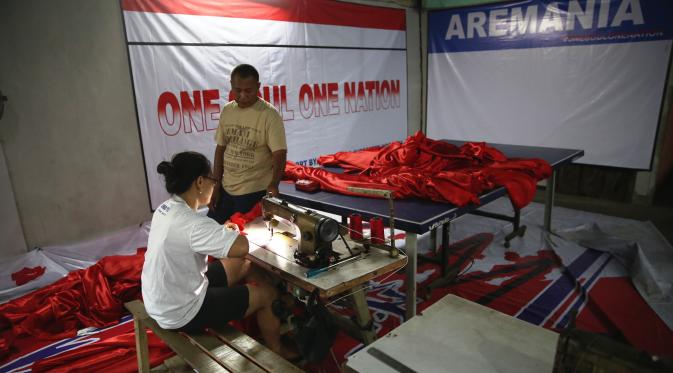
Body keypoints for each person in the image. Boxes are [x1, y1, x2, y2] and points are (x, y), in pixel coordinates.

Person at [141, 151, 291, 358]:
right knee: (267, 295)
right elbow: (242, 247)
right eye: (213, 180)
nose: (215, 186)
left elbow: (210, 241)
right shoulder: (193, 224)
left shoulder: (165, 209)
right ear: (200, 182)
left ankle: (259, 313)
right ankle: (278, 351)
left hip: (162, 298)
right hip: (181, 312)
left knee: (243, 264)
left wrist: (226, 233)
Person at [208, 63, 287, 224]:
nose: (242, 95)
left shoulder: (270, 115)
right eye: (238, 90)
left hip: (254, 191)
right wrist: (215, 184)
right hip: (226, 188)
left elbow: (279, 153)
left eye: (248, 90)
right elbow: (220, 149)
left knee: (247, 238)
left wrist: (274, 184)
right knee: (211, 230)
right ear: (231, 86)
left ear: (258, 86)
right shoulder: (227, 110)